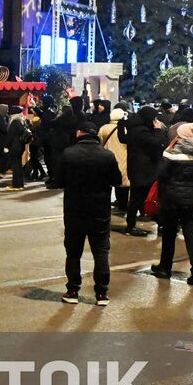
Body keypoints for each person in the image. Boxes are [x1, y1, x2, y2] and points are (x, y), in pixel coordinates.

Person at [56, 121, 123, 305]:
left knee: (73, 251)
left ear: (79, 133)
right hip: (100, 209)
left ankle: (72, 290)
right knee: (101, 251)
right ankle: (101, 293)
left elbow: (58, 180)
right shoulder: (107, 155)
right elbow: (117, 180)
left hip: (74, 209)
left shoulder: (69, 153)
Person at [151, 122, 193, 287]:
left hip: (171, 199)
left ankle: (165, 267)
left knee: (169, 234)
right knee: (191, 235)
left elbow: (160, 174)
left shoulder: (171, 154)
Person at [120, 106, 164, 237]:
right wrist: (158, 130)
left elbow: (123, 138)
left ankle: (133, 224)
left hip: (138, 169)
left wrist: (121, 125)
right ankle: (131, 226)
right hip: (144, 171)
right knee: (141, 198)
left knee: (139, 198)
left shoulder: (135, 129)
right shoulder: (142, 132)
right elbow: (157, 143)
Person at [97, 107, 129, 216]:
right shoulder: (126, 129)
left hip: (107, 158)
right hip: (123, 157)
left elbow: (100, 143)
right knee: (122, 183)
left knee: (107, 182)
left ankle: (105, 205)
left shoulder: (104, 128)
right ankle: (122, 205)